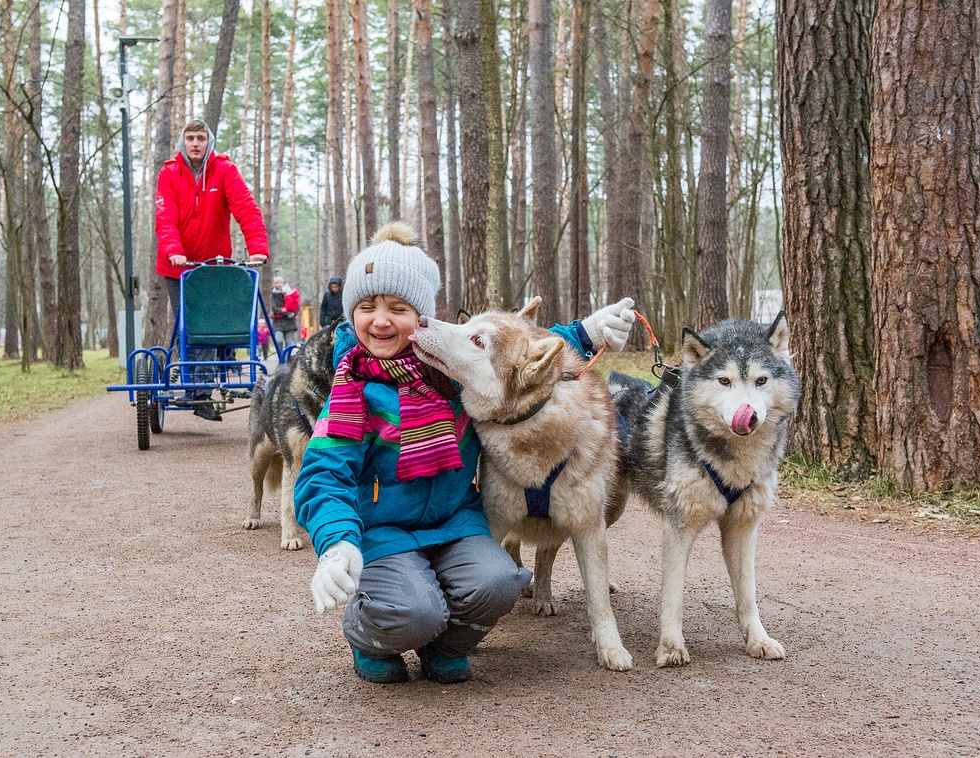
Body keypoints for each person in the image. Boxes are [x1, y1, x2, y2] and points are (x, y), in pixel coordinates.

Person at [293, 222, 636, 685]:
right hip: (385, 534)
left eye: (398, 308)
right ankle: (369, 634)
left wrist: (587, 332)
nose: (380, 321)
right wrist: (336, 544)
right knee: (415, 609)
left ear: (421, 315)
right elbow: (323, 475)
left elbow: (511, 359)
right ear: (351, 314)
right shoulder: (351, 389)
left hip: (453, 525)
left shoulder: (448, 372)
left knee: (500, 582)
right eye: (367, 307)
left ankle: (445, 645)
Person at [156, 118, 269, 421]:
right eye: (190, 138)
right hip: (179, 267)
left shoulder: (224, 169)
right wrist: (175, 252)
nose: (195, 143)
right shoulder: (169, 173)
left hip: (214, 266)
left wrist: (257, 246)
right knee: (191, 326)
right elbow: (165, 218)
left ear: (209, 142)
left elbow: (245, 208)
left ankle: (212, 375)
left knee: (214, 324)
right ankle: (200, 391)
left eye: (201, 138)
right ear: (183, 142)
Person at [269, 276, 301, 350]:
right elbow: (274, 308)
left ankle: (288, 359)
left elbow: (296, 305)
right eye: (277, 283)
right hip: (278, 322)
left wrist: (293, 314)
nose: (279, 284)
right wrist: (285, 313)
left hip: (290, 322)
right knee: (279, 340)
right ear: (275, 284)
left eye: (280, 282)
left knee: (289, 342)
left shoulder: (290, 293)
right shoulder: (273, 295)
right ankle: (281, 357)